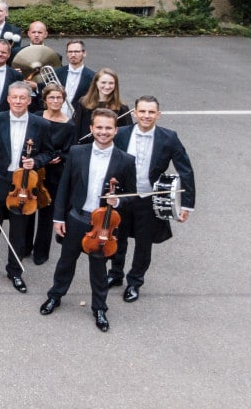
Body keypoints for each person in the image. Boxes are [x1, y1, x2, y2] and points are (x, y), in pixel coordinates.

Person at [40, 108, 138, 332]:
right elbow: (64, 187)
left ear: (115, 130)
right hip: (77, 217)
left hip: (103, 224)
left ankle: (100, 308)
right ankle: (55, 295)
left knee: (98, 267)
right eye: (99, 127)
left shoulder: (125, 160)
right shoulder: (77, 152)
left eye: (108, 128)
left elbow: (130, 197)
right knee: (66, 261)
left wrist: (118, 202)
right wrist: (58, 218)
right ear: (91, 128)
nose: (103, 132)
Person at [107, 96, 196, 301]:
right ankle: (115, 274)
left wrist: (187, 205)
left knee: (143, 243)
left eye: (151, 112)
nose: (146, 116)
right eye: (142, 111)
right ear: (135, 113)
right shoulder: (121, 134)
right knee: (117, 238)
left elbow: (186, 171)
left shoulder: (169, 137)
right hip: (122, 197)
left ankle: (135, 281)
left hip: (148, 198)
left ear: (158, 114)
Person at [0, 82, 52, 294]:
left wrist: (35, 162)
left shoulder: (41, 124)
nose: (18, 101)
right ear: (8, 99)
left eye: (22, 98)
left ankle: (15, 271)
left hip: (24, 185)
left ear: (29, 100)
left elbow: (48, 153)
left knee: (19, 231)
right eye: (14, 97)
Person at [32, 84, 76, 265]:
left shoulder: (70, 124)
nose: (55, 101)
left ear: (63, 100)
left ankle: (40, 252)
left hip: (54, 173)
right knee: (27, 210)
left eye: (59, 98)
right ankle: (24, 247)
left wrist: (57, 156)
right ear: (45, 100)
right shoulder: (35, 117)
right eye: (51, 98)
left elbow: (69, 151)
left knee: (46, 212)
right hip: (34, 169)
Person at [73, 67, 132, 141]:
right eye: (103, 82)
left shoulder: (121, 107)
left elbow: (126, 133)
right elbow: (76, 130)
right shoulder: (84, 103)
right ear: (96, 83)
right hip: (86, 147)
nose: (107, 87)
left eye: (111, 83)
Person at [53, 40, 94, 119]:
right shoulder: (56, 73)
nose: (73, 55)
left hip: (79, 119)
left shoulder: (93, 76)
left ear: (84, 53)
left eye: (77, 52)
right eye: (70, 52)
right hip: (56, 118)